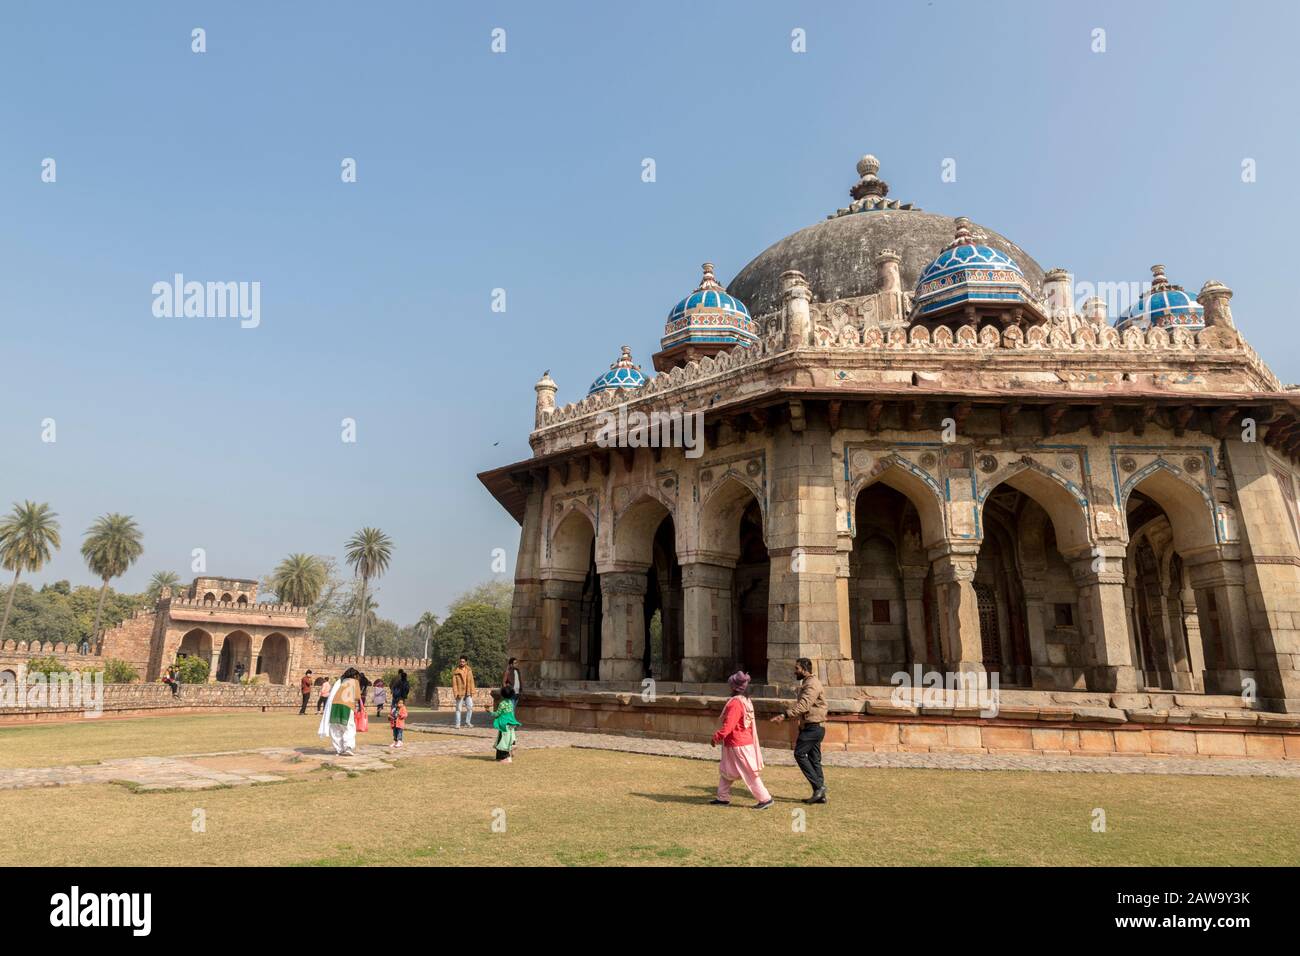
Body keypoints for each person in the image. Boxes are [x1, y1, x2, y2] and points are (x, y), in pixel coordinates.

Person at [710, 671, 772, 810]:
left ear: (733, 687)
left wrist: (716, 737)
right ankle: (722, 797)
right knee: (727, 771)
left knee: (749, 774)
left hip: (739, 743)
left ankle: (765, 798)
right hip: (739, 742)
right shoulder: (746, 701)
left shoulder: (736, 703)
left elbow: (729, 725)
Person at [770, 657, 828, 804]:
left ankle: (819, 787)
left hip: (813, 727)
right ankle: (819, 794)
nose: (794, 671)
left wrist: (784, 715)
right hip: (812, 726)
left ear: (804, 669)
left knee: (799, 753)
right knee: (815, 760)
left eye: (797, 668)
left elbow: (804, 705)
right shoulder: (808, 683)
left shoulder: (812, 684)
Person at [318, 668, 362, 756]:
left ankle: (339, 749)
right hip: (346, 705)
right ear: (354, 676)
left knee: (336, 727)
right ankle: (348, 747)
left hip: (334, 705)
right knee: (348, 726)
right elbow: (357, 696)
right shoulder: (354, 682)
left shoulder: (340, 681)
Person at [492, 686, 520, 763]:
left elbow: (498, 714)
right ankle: (500, 757)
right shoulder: (510, 703)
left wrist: (490, 712)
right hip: (510, 724)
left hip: (504, 725)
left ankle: (506, 758)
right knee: (506, 740)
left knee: (502, 741)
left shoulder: (502, 703)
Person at [452, 656, 476, 729]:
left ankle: (467, 722)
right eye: (460, 661)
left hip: (468, 692)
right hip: (460, 692)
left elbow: (472, 681)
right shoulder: (456, 671)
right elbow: (454, 684)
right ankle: (458, 724)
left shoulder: (469, 670)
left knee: (470, 707)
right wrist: (456, 693)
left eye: (463, 661)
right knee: (458, 709)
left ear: (466, 662)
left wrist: (472, 691)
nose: (461, 663)